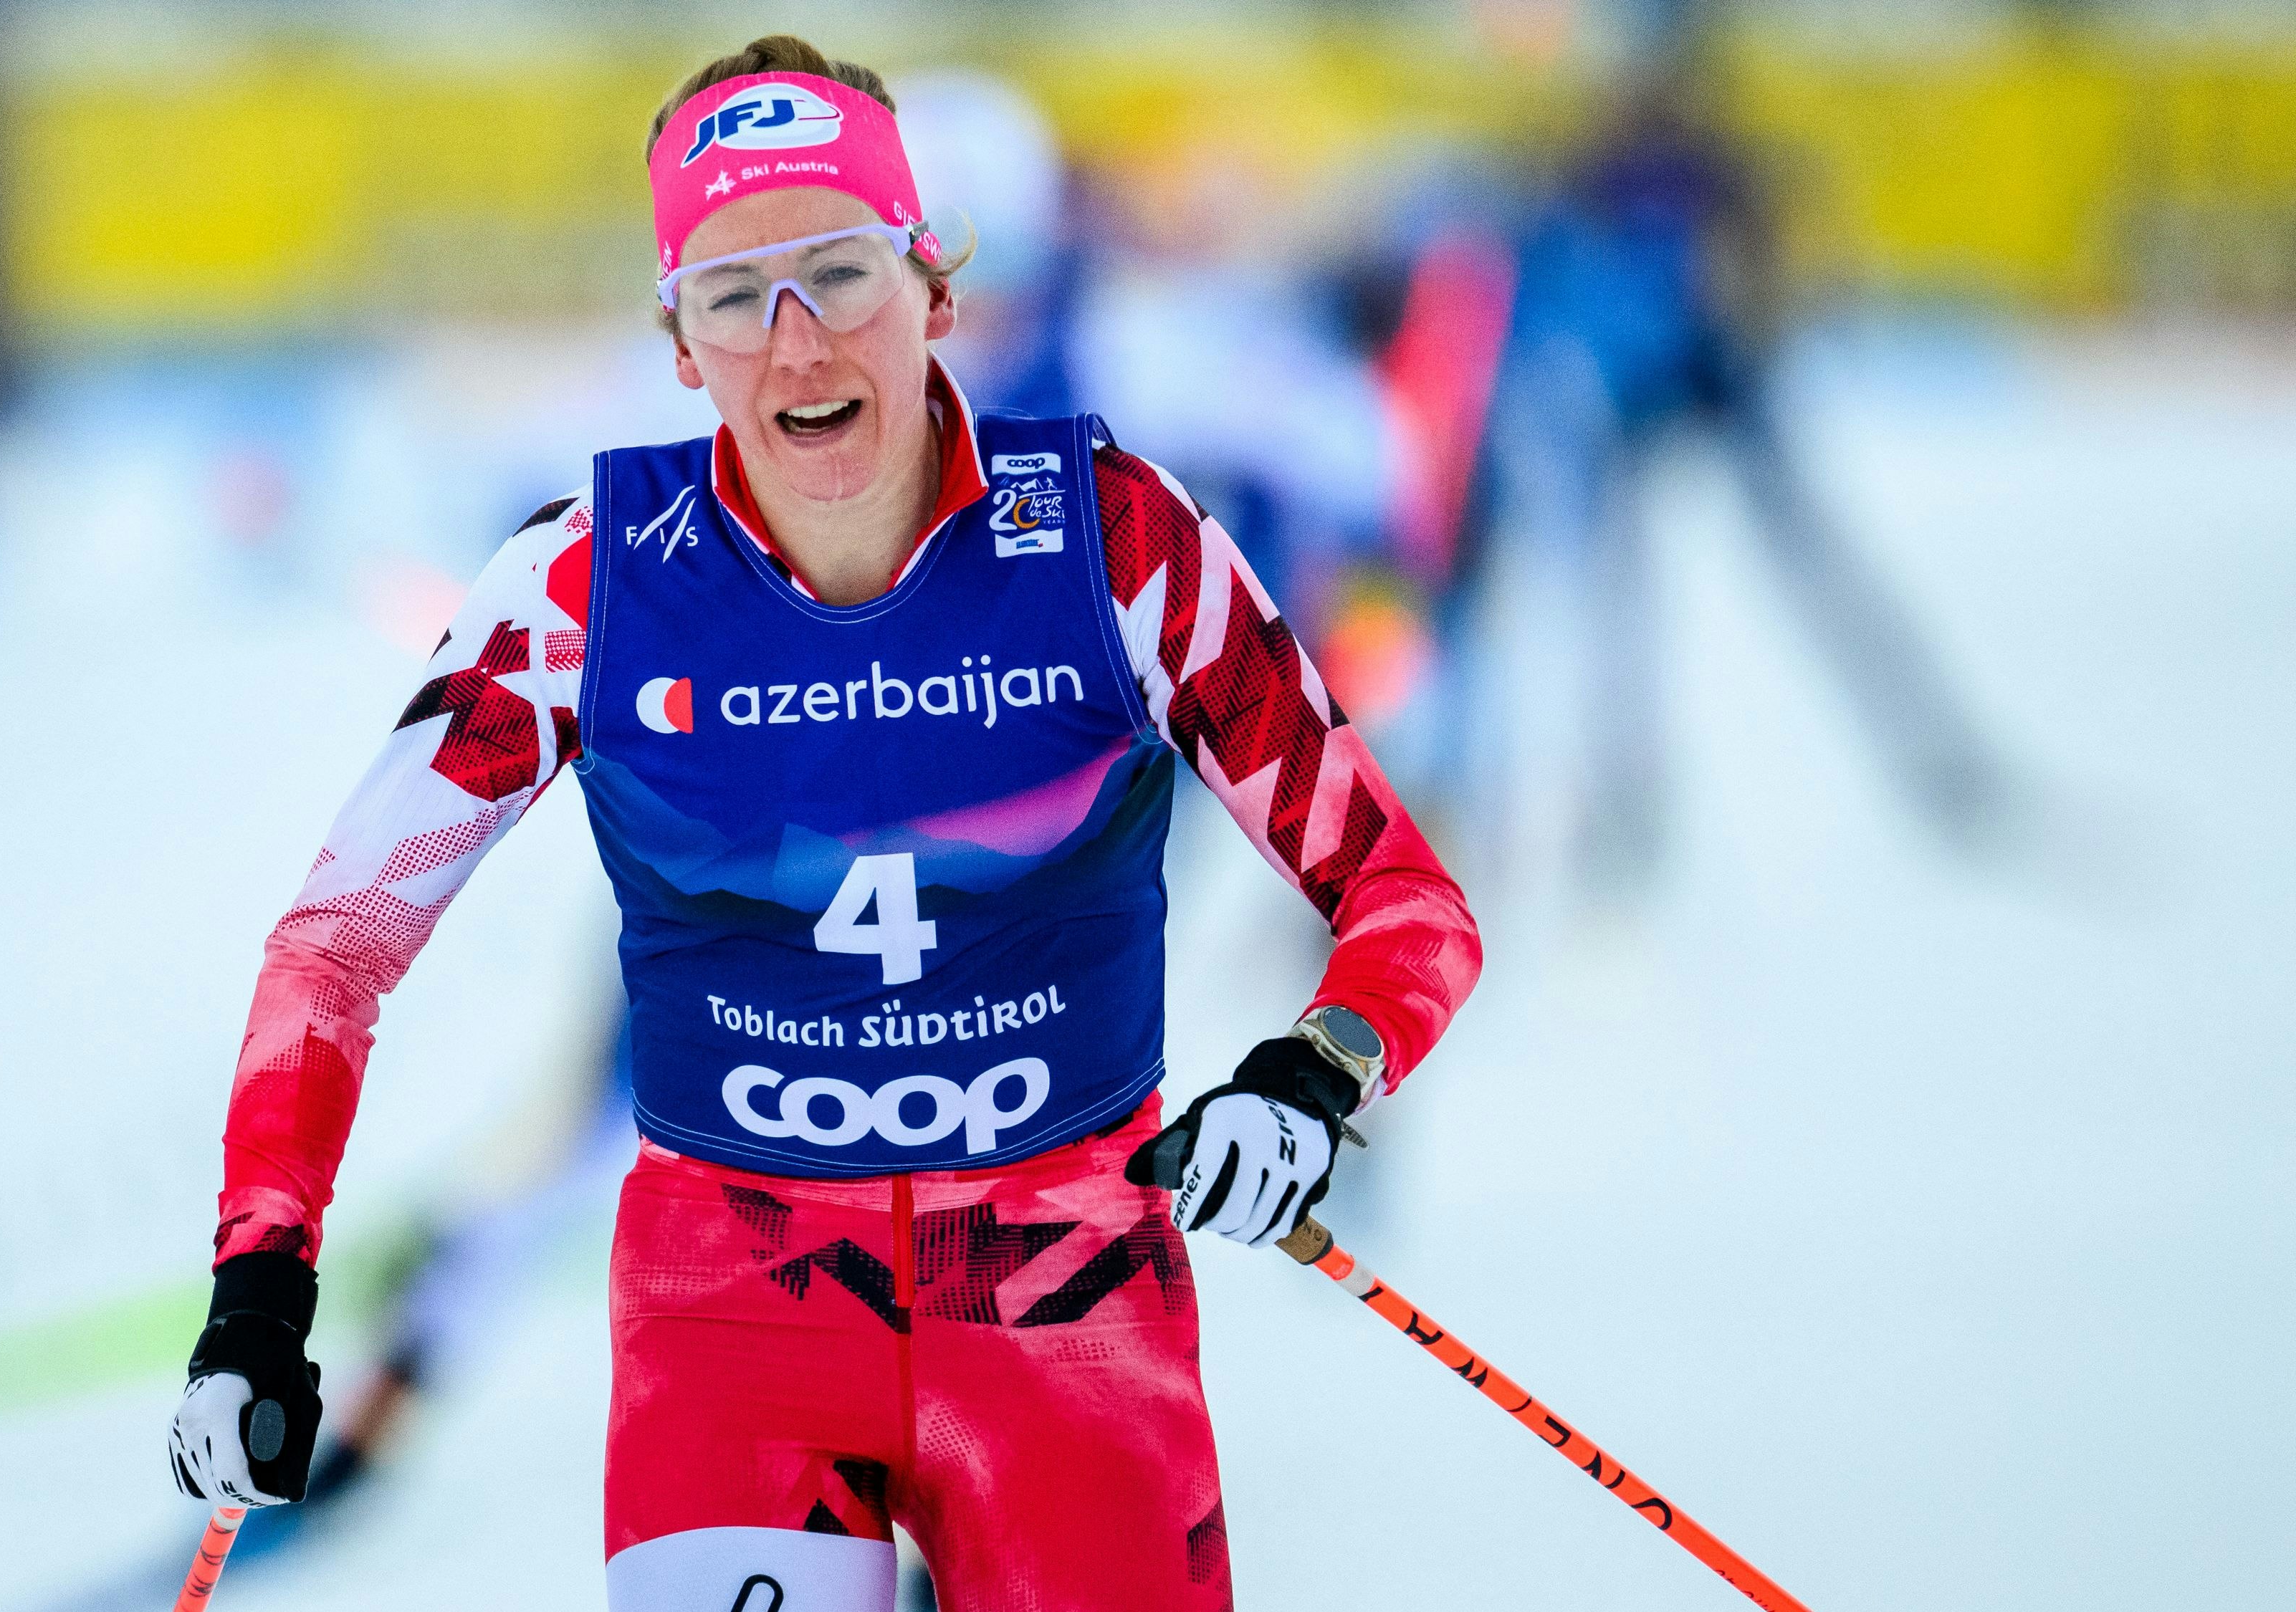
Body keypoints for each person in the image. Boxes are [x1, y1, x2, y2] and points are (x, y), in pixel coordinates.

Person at [164, 35, 1480, 1611]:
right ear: (675, 336)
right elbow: (334, 946)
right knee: (583, 1127)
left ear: (936, 278)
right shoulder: (581, 588)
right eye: (732, 295)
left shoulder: (1126, 538)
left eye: (846, 275)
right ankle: (406, 1375)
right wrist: (257, 1286)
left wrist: (1311, 1075)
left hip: (1062, 1297)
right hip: (735, 1308)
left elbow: (1402, 890)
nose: (797, 344)